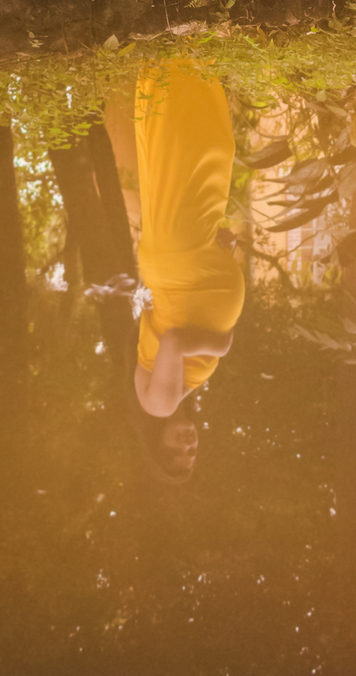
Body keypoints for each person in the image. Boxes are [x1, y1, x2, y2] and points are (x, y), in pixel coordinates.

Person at [130, 57, 245, 482]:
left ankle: (180, 57)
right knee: (187, 154)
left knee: (197, 149)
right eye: (193, 454)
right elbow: (167, 316)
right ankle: (175, 59)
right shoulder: (172, 395)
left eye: (177, 453)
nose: (189, 446)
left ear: (156, 442)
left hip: (182, 259)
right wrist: (219, 258)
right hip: (184, 261)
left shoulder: (159, 405)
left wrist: (221, 346)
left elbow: (175, 339)